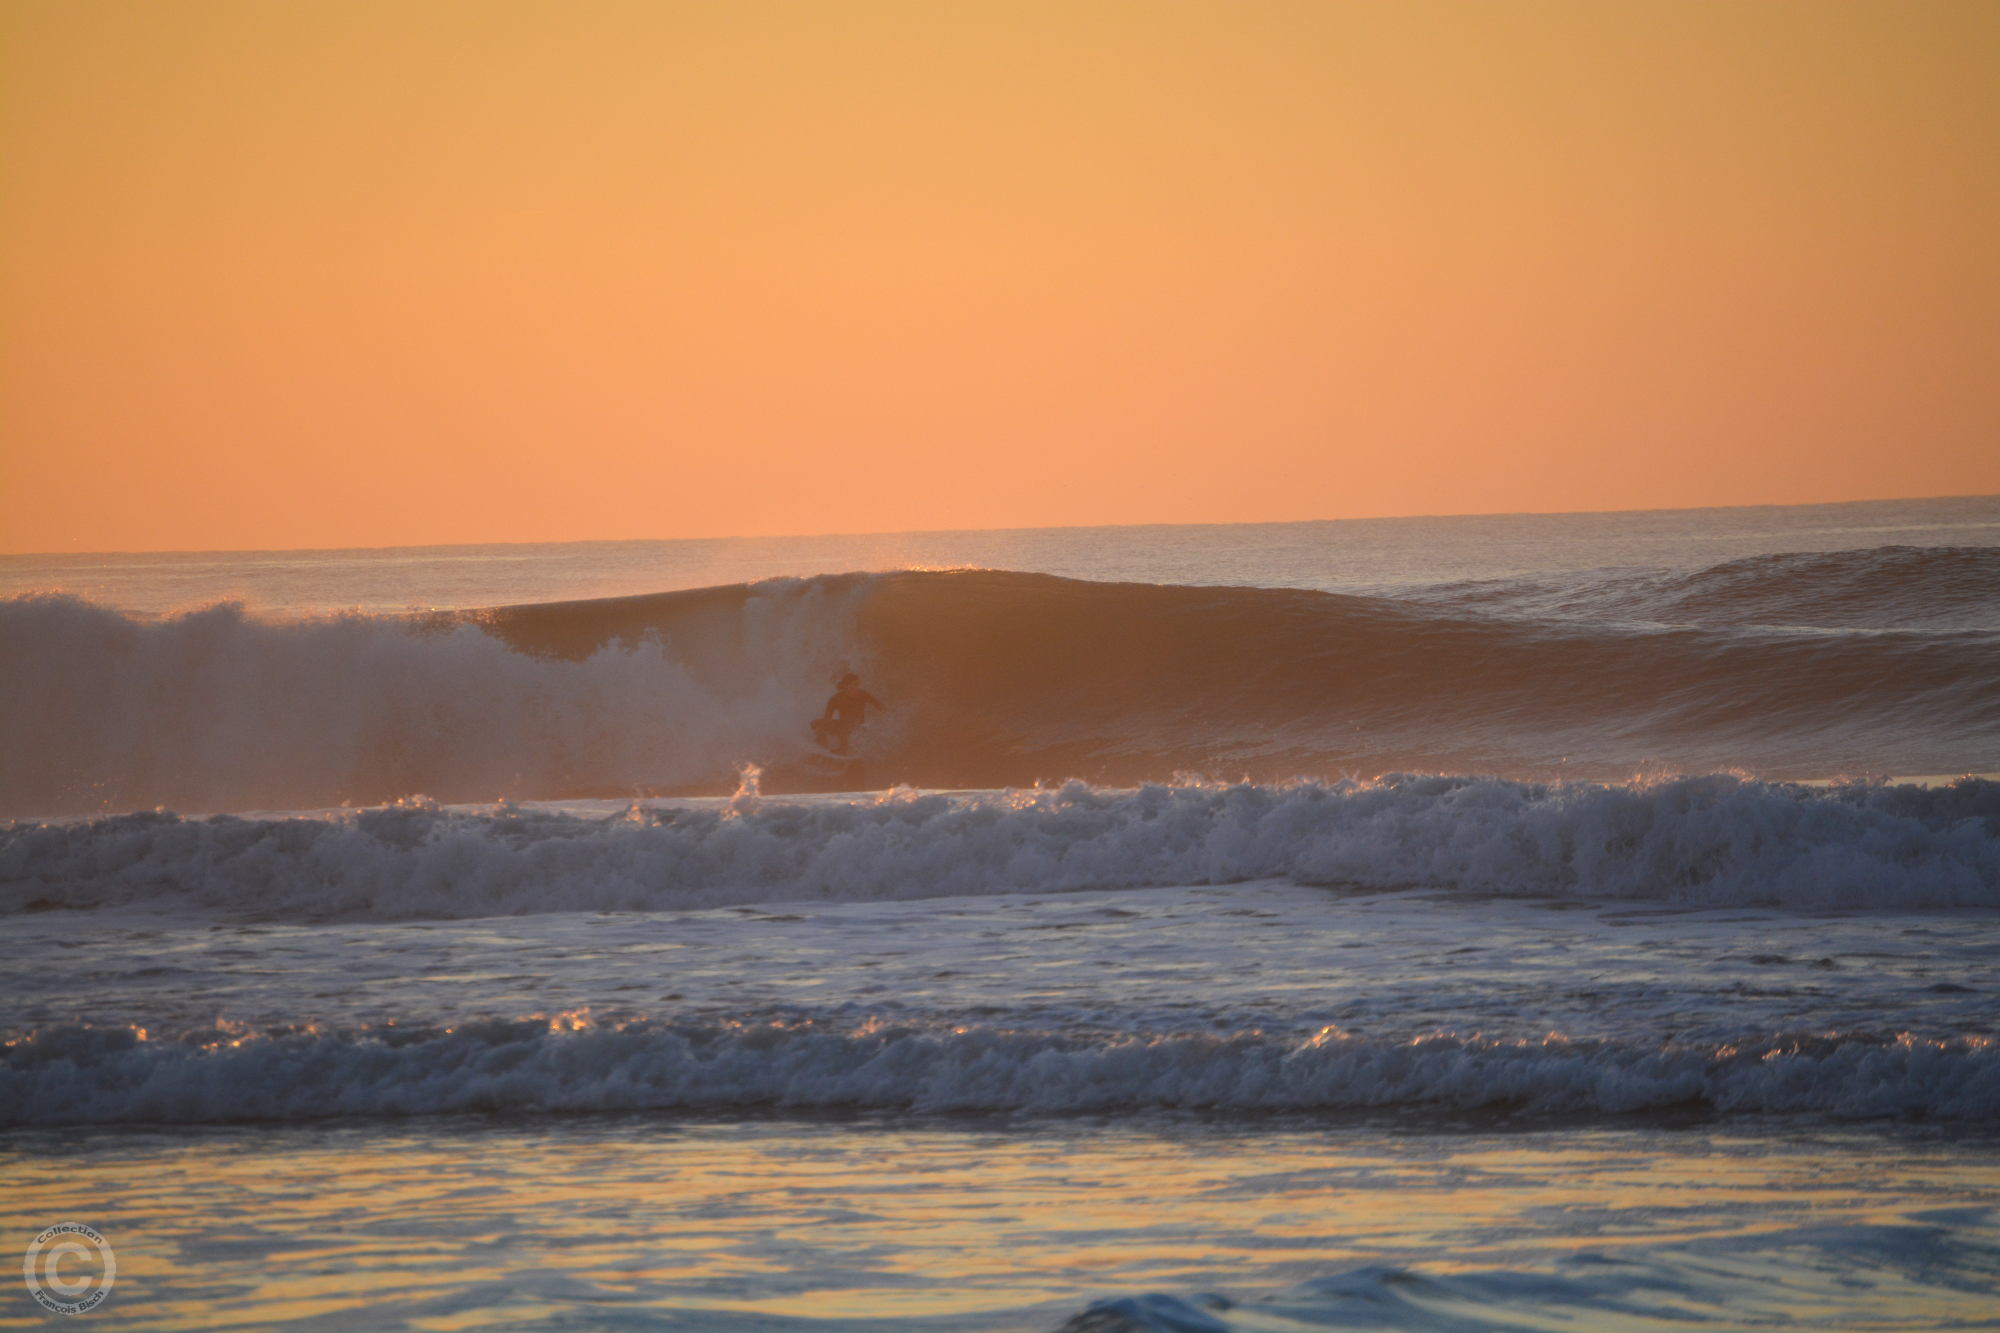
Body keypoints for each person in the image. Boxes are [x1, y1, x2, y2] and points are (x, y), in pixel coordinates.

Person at [811, 672, 884, 755]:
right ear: (845, 686)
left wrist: (887, 716)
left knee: (846, 725)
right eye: (852, 685)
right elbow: (827, 717)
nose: (855, 687)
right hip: (842, 726)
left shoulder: (863, 694)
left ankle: (843, 750)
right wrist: (822, 731)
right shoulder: (836, 698)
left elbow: (879, 705)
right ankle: (822, 747)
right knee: (815, 723)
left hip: (858, 727)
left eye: (857, 685)